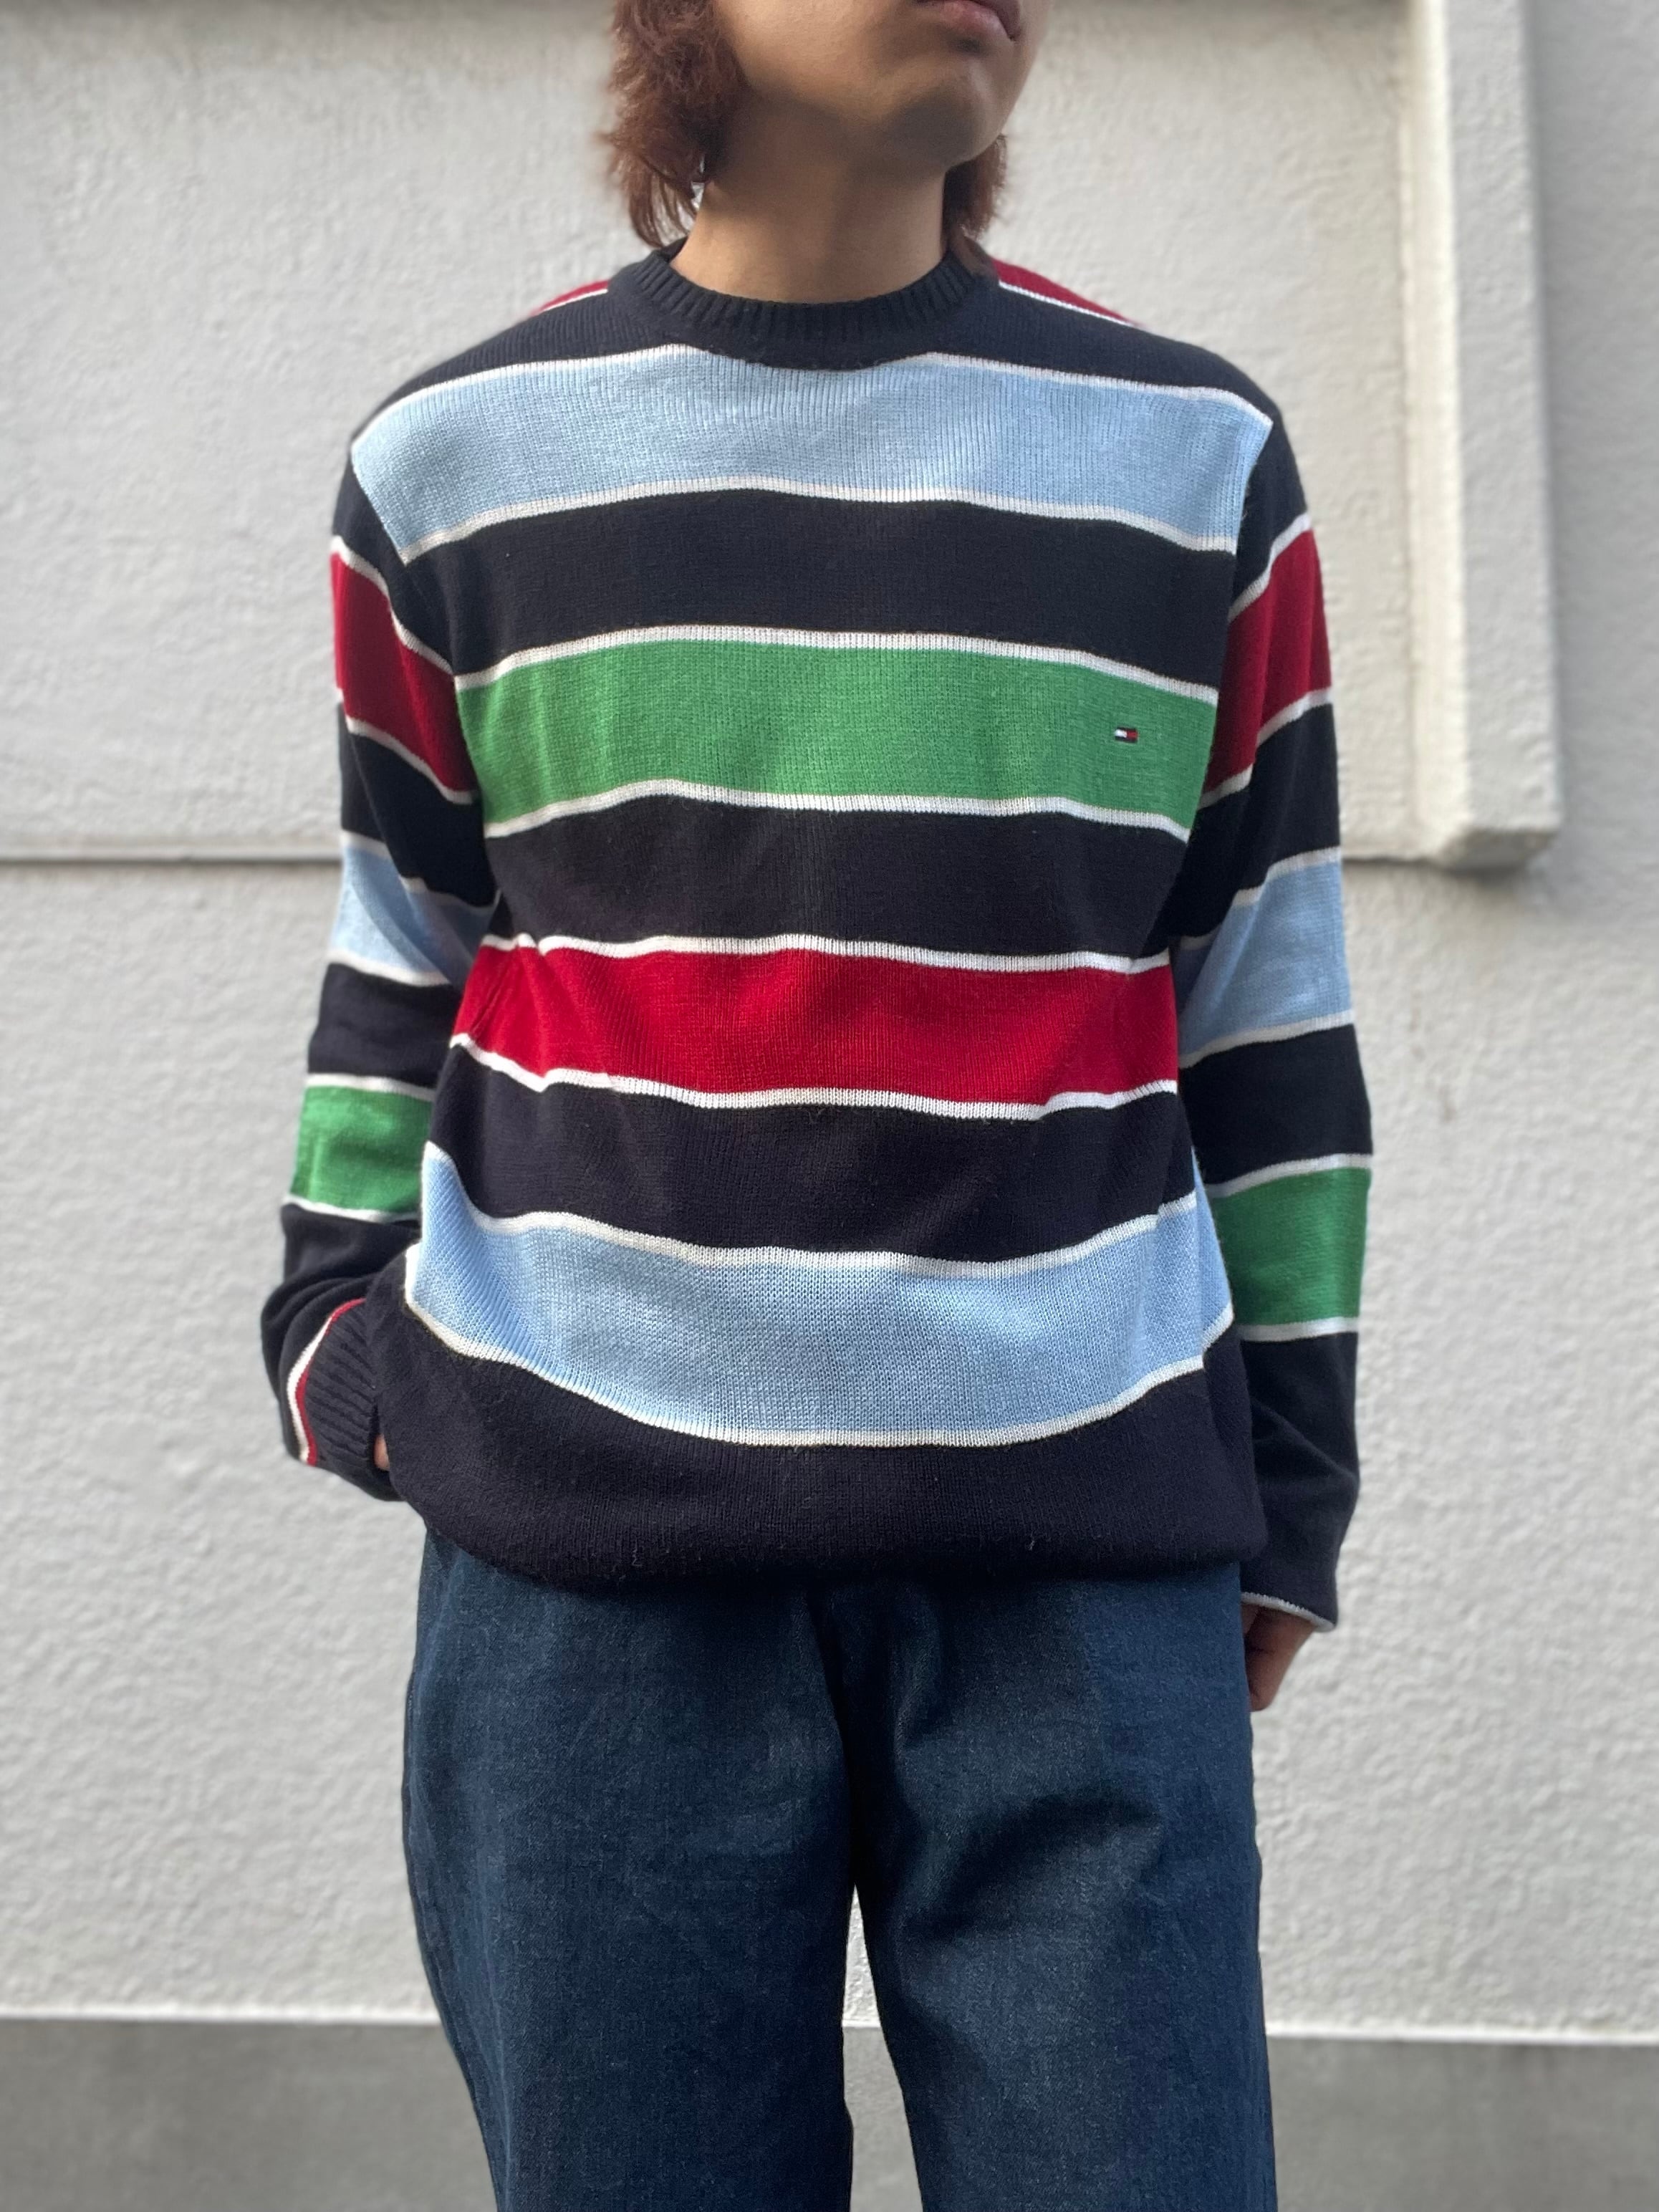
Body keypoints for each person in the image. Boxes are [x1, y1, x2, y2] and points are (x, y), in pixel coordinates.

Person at [261, 0, 1372, 2203]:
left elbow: (1263, 998)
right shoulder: (456, 460)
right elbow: (408, 938)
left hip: (1081, 1551)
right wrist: (336, 1332)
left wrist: (1292, 1484)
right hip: (588, 1556)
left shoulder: (1188, 456)